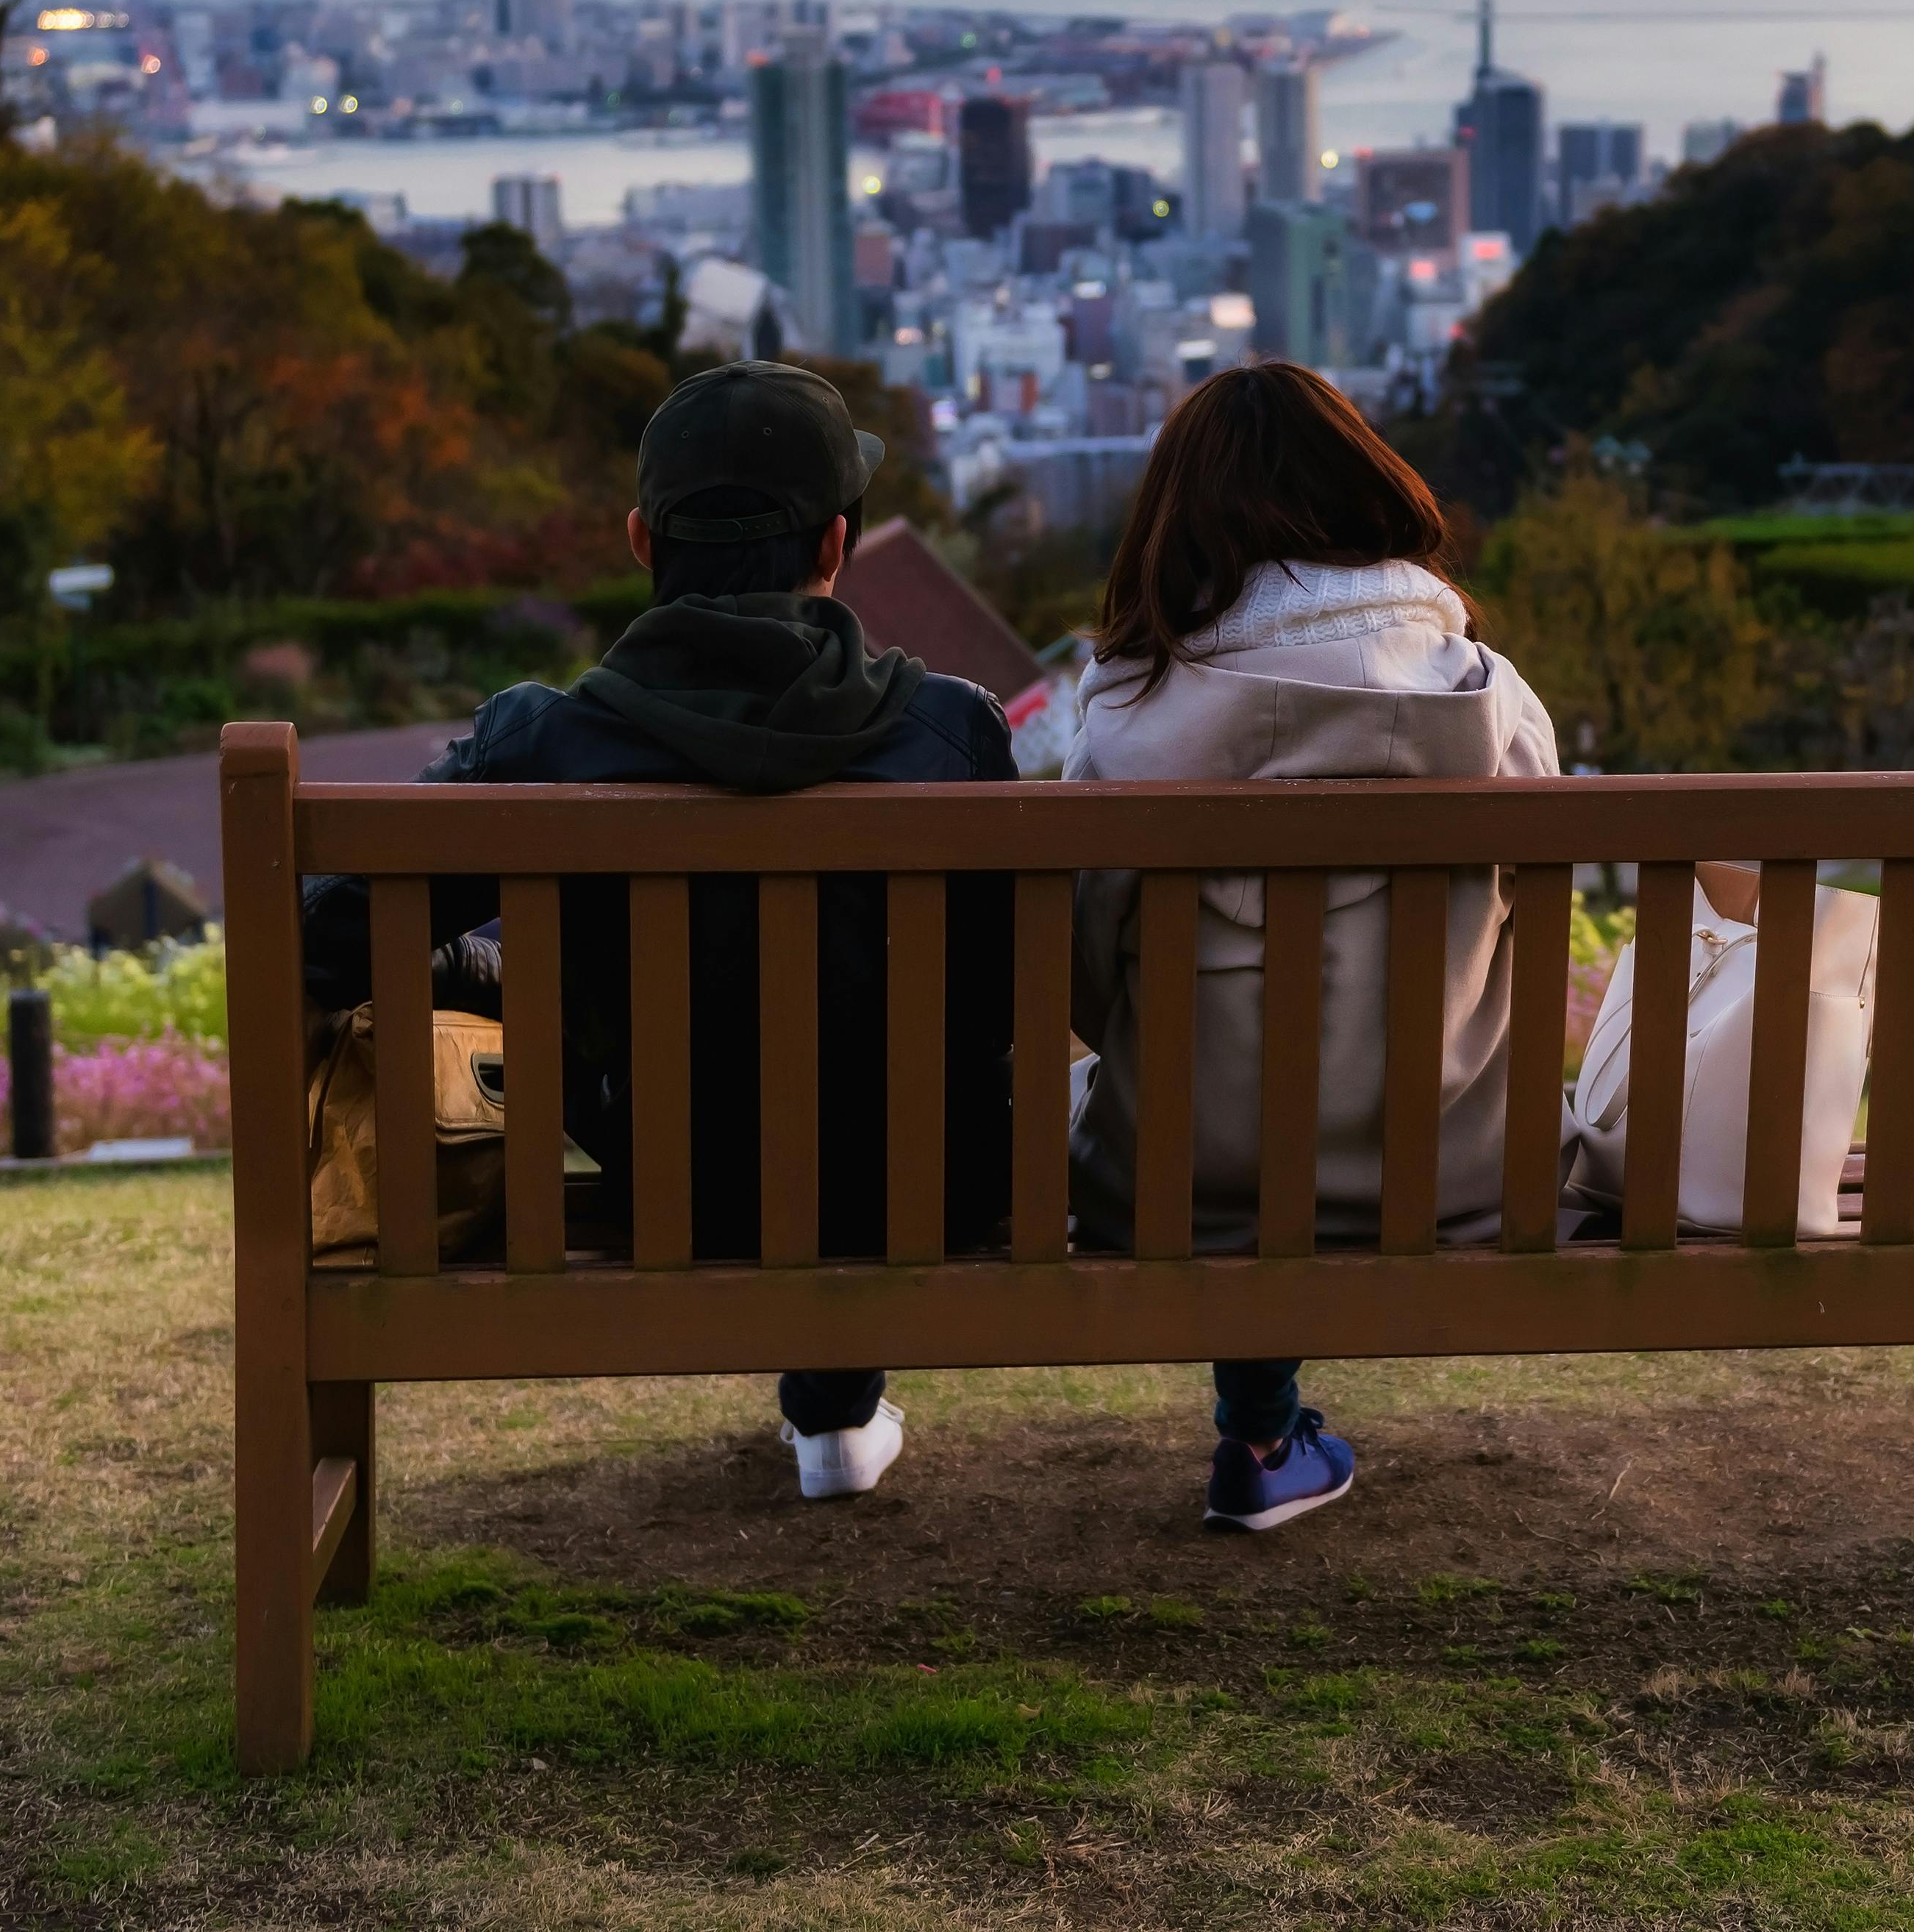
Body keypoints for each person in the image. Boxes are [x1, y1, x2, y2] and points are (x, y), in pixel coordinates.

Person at [296, 360, 1018, 1500]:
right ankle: (833, 1412)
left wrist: (498, 975)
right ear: (834, 545)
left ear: (642, 539)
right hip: (930, 1191)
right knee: (864, 1040)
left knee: (550, 994)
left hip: (680, 1185)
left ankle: (831, 1412)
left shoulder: (538, 746)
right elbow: (1006, 994)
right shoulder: (954, 733)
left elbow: (325, 939)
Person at [1061, 363, 1560, 1531]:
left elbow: (1080, 983)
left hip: (1180, 1182)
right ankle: (1269, 1438)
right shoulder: (1491, 700)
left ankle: (1263, 1429)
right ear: (1368, 491)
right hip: (1453, 1174)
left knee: (1176, 1099)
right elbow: (1528, 931)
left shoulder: (1131, 718)